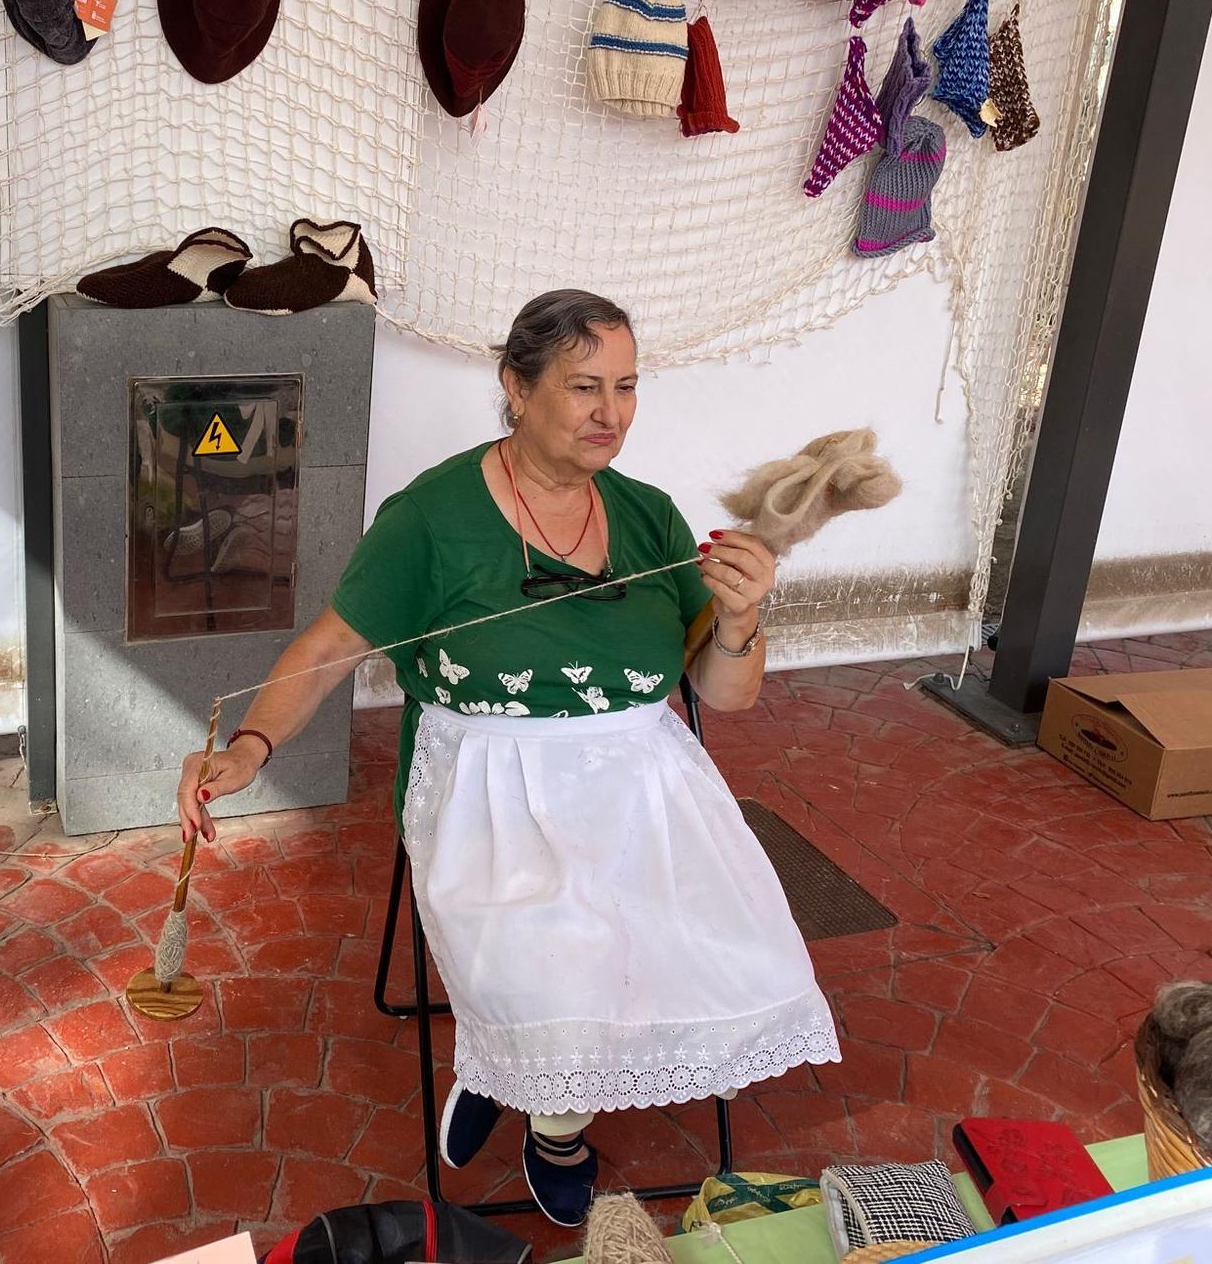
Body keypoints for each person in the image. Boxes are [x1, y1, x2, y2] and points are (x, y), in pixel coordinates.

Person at [177, 289, 839, 1226]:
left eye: (627, 386)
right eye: (582, 387)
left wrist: (740, 618)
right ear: (516, 389)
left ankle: (511, 1064)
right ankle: (551, 1120)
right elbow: (330, 646)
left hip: (642, 781)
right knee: (556, 944)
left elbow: (725, 694)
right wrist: (248, 748)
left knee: (726, 946)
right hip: (490, 785)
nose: (611, 412)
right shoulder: (435, 517)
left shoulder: (647, 516)